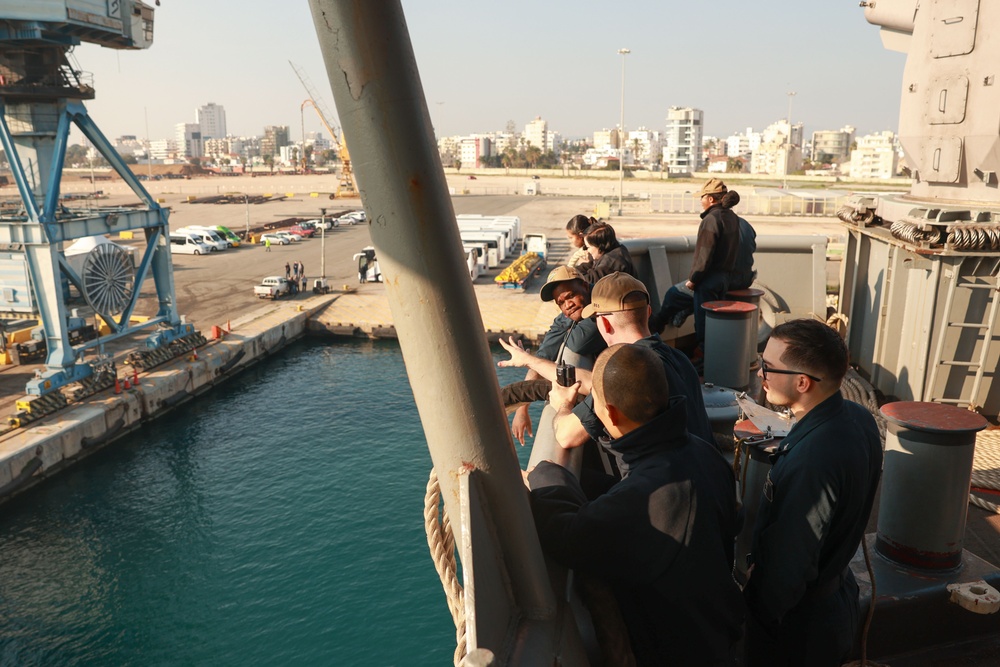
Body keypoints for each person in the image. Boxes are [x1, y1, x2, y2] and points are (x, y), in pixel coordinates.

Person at [527, 343, 744, 665]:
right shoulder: (701, 452)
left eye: (596, 406)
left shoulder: (646, 496)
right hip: (719, 634)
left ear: (610, 413)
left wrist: (545, 473)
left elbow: (566, 534)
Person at [743, 319, 882, 667]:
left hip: (801, 629)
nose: (762, 373)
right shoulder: (858, 418)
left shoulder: (813, 461)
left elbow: (790, 563)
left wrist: (755, 613)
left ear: (802, 383)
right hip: (835, 598)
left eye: (768, 367)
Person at [551, 271, 715, 452]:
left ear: (604, 323)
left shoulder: (628, 371)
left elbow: (566, 436)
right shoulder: (679, 358)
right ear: (649, 312)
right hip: (706, 467)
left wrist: (563, 404)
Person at [505, 266, 607, 445]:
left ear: (585, 286)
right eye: (560, 302)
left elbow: (577, 343)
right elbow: (543, 355)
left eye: (570, 296)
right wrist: (522, 410)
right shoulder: (568, 314)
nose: (567, 305)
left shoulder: (603, 303)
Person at [650, 178, 740, 351]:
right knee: (684, 302)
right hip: (724, 279)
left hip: (707, 281)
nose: (701, 201)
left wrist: (694, 279)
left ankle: (706, 362)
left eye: (702, 197)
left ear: (711, 199)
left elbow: (704, 254)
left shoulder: (711, 219)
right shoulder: (732, 217)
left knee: (701, 322)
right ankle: (676, 317)